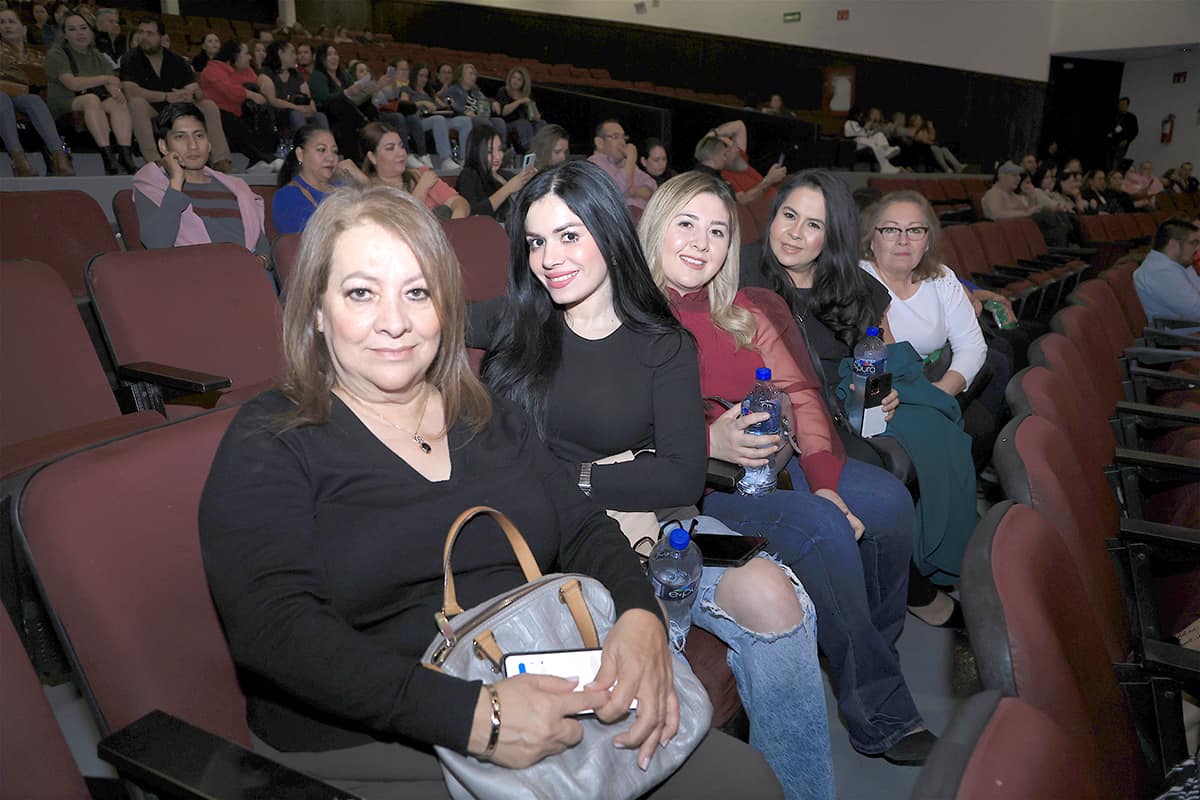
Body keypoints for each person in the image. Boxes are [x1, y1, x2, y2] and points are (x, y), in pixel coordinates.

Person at [198, 182, 783, 800]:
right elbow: (273, 628)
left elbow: (583, 525)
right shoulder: (272, 436)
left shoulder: (488, 415)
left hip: (521, 666)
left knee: (746, 782)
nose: (394, 322)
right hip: (370, 732)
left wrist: (639, 618)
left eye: (417, 293)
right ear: (316, 311)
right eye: (361, 293)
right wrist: (476, 716)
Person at [473, 160, 833, 798]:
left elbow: (681, 476)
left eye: (569, 236)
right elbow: (427, 321)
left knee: (778, 599)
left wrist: (582, 477)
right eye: (536, 241)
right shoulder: (521, 320)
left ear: (608, 234)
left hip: (656, 523)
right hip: (556, 541)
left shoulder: (660, 341)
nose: (550, 258)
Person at [638, 171, 930, 766]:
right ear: (655, 227)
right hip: (705, 488)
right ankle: (879, 710)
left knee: (890, 506)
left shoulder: (746, 308)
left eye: (718, 230)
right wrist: (707, 439)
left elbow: (801, 395)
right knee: (822, 530)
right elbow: (616, 429)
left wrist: (829, 487)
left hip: (783, 460)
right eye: (686, 224)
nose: (701, 242)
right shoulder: (629, 315)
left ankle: (868, 648)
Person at [738, 169, 974, 618]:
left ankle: (915, 576)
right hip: (787, 416)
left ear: (832, 235)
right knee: (881, 480)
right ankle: (892, 593)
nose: (794, 233)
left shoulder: (854, 285)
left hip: (851, 405)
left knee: (940, 436)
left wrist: (883, 390)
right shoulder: (742, 272)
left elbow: (879, 355)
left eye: (813, 225)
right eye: (788, 215)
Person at [132, 103, 268, 263]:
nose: (193, 145)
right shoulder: (153, 187)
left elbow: (263, 247)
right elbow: (156, 245)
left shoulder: (237, 188)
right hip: (194, 279)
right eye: (180, 137)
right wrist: (175, 183)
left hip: (250, 276)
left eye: (199, 135)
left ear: (209, 143)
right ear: (163, 146)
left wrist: (261, 262)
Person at [120, 17, 233, 173]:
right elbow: (130, 90)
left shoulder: (177, 60)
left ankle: (221, 160)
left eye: (150, 33)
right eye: (141, 32)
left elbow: (196, 90)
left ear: (162, 37)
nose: (144, 37)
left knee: (209, 106)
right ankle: (155, 162)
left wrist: (190, 95)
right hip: (151, 106)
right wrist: (166, 96)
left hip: (177, 106)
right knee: (136, 103)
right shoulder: (130, 58)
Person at [44, 11, 137, 174]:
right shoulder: (57, 53)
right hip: (64, 101)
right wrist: (104, 79)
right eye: (72, 29)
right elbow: (72, 83)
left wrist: (113, 90)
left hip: (92, 97)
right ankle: (108, 158)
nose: (79, 33)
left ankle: (125, 157)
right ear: (65, 34)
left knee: (118, 102)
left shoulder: (97, 55)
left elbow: (114, 80)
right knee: (91, 100)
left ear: (91, 31)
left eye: (83, 28)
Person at [0, 8, 74, 176]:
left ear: (24, 28)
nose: (6, 26)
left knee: (33, 100)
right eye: (2, 22)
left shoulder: (38, 55)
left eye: (11, 21)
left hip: (22, 94)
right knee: (2, 98)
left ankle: (59, 156)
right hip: (2, 93)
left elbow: (47, 78)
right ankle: (19, 160)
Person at [199, 39, 281, 171]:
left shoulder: (244, 70)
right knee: (233, 122)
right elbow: (228, 90)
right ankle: (264, 158)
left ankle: (260, 159)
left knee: (262, 114)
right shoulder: (213, 69)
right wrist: (251, 94)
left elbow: (254, 86)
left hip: (238, 113)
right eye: (247, 53)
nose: (250, 57)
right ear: (235, 55)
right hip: (218, 114)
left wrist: (257, 93)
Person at [358, 120, 467, 219]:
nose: (401, 153)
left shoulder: (421, 174)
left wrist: (456, 220)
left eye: (401, 146)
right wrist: (421, 189)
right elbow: (403, 222)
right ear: (372, 157)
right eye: (390, 148)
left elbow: (460, 202)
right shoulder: (371, 192)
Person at [272, 125, 364, 234]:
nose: (331, 158)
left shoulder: (343, 186)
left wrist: (362, 179)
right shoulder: (287, 197)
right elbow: (303, 244)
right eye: (321, 150)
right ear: (300, 154)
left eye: (334, 151)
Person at [307, 42, 377, 163]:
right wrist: (346, 93)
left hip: (347, 109)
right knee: (342, 106)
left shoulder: (344, 75)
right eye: (329, 54)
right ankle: (355, 157)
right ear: (321, 58)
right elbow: (324, 98)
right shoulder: (317, 76)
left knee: (369, 107)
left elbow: (354, 96)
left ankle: (375, 153)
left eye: (336, 54)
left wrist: (374, 88)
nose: (334, 57)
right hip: (328, 111)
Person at [455, 124, 533, 224]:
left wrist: (531, 184)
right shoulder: (468, 175)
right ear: (477, 152)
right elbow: (473, 214)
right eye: (489, 151)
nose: (497, 156)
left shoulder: (505, 174)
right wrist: (508, 189)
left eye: (500, 149)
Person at [403, 61, 471, 173]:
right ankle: (445, 159)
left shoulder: (429, 92)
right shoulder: (407, 89)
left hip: (435, 118)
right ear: (414, 75)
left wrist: (448, 100)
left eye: (426, 76)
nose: (424, 79)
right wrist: (422, 103)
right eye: (421, 75)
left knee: (464, 120)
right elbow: (403, 104)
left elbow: (442, 105)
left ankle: (463, 158)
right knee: (438, 120)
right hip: (418, 121)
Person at [1133, 218, 1200, 323]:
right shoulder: (1160, 271)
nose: (1196, 249)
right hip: (1183, 336)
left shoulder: (1177, 263)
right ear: (1173, 244)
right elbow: (1197, 312)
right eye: (1193, 243)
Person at [257, 40, 327, 137]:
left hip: (299, 111)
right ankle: (303, 145)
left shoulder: (295, 74)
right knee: (296, 115)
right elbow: (272, 100)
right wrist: (296, 108)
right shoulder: (266, 73)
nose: (296, 57)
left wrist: (312, 109)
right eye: (293, 52)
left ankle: (325, 144)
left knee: (320, 116)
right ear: (280, 53)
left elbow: (307, 97)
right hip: (278, 115)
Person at [709, 119, 787, 205]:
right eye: (731, 147)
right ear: (723, 156)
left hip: (779, 196)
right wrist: (768, 180)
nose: (737, 148)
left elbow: (739, 125)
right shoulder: (724, 175)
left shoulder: (738, 161)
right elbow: (743, 200)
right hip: (770, 206)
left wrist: (713, 134)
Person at [588, 118, 656, 210]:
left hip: (641, 217)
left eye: (623, 137)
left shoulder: (625, 163)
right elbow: (618, 189)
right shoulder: (593, 164)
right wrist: (631, 160)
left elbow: (652, 186)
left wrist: (633, 191)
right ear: (599, 142)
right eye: (615, 137)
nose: (622, 142)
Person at [442, 62, 506, 144]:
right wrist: (463, 110)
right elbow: (447, 99)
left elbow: (485, 100)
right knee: (484, 123)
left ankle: (501, 148)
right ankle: (488, 148)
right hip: (465, 118)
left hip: (480, 116)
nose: (473, 77)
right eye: (470, 74)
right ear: (461, 76)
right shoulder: (454, 89)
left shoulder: (476, 91)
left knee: (499, 122)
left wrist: (493, 103)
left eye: (475, 74)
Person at [495, 65, 544, 153]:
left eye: (519, 79)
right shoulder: (503, 91)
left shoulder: (526, 94)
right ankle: (529, 150)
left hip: (525, 123)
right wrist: (519, 101)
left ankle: (543, 148)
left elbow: (535, 116)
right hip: (507, 123)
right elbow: (504, 112)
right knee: (523, 123)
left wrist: (536, 114)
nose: (515, 81)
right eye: (514, 78)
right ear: (509, 78)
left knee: (541, 123)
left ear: (523, 82)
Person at [843, 106, 900, 174]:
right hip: (854, 143)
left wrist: (875, 131)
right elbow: (859, 133)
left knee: (879, 135)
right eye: (859, 114)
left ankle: (886, 150)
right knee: (872, 143)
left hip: (865, 140)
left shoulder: (862, 121)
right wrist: (870, 123)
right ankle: (885, 164)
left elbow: (868, 133)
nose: (861, 116)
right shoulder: (849, 122)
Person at [1106, 96, 1138, 171]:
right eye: (1120, 104)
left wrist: (1127, 140)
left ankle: (1114, 177)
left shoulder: (1131, 117)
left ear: (1127, 105)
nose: (1121, 106)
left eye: (1123, 104)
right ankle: (1108, 176)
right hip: (1110, 143)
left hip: (1121, 144)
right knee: (1108, 163)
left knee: (1116, 163)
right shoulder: (1114, 115)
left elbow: (1134, 131)